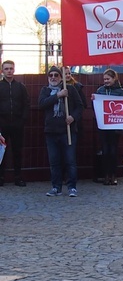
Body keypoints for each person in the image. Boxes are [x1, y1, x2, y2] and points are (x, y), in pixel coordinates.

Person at [39, 66, 83, 197]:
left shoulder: (69, 89)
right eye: (50, 75)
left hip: (67, 131)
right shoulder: (45, 90)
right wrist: (58, 95)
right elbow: (41, 104)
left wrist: (73, 117)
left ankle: (72, 187)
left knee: (70, 160)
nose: (53, 77)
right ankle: (56, 187)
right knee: (54, 161)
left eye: (56, 75)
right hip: (51, 132)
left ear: (60, 77)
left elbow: (80, 106)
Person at [93, 69, 123, 185]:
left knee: (113, 151)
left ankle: (113, 175)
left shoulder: (120, 92)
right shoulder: (100, 90)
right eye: (104, 79)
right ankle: (106, 175)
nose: (106, 81)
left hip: (115, 126)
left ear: (114, 79)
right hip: (103, 126)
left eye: (108, 79)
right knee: (105, 151)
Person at [0, 60, 30, 186]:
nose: (9, 71)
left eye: (11, 68)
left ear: (14, 70)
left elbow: (26, 104)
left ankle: (18, 177)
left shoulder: (20, 87)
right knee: (2, 152)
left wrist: (22, 120)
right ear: (2, 71)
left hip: (17, 124)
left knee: (17, 151)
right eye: (6, 69)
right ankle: (1, 178)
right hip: (2, 124)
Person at [64, 67, 87, 137]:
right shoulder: (57, 87)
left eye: (69, 73)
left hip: (75, 122)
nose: (68, 75)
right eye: (65, 74)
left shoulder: (77, 87)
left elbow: (83, 104)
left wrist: (74, 116)